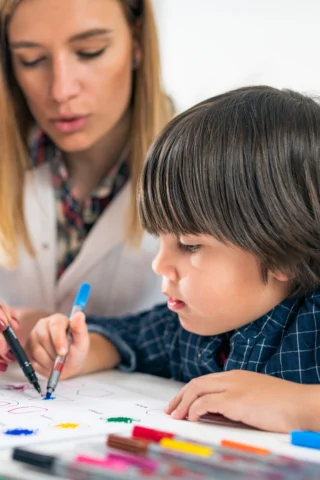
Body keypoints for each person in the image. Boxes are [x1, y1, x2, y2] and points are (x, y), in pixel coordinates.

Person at [27, 86, 320, 433]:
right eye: (159, 240)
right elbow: (128, 339)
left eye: (189, 245)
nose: (159, 265)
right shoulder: (189, 325)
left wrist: (298, 407)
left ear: (282, 254)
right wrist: (79, 350)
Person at [0, 0, 172, 373]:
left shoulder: (202, 157)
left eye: (90, 52)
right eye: (31, 60)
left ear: (137, 41)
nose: (60, 90)